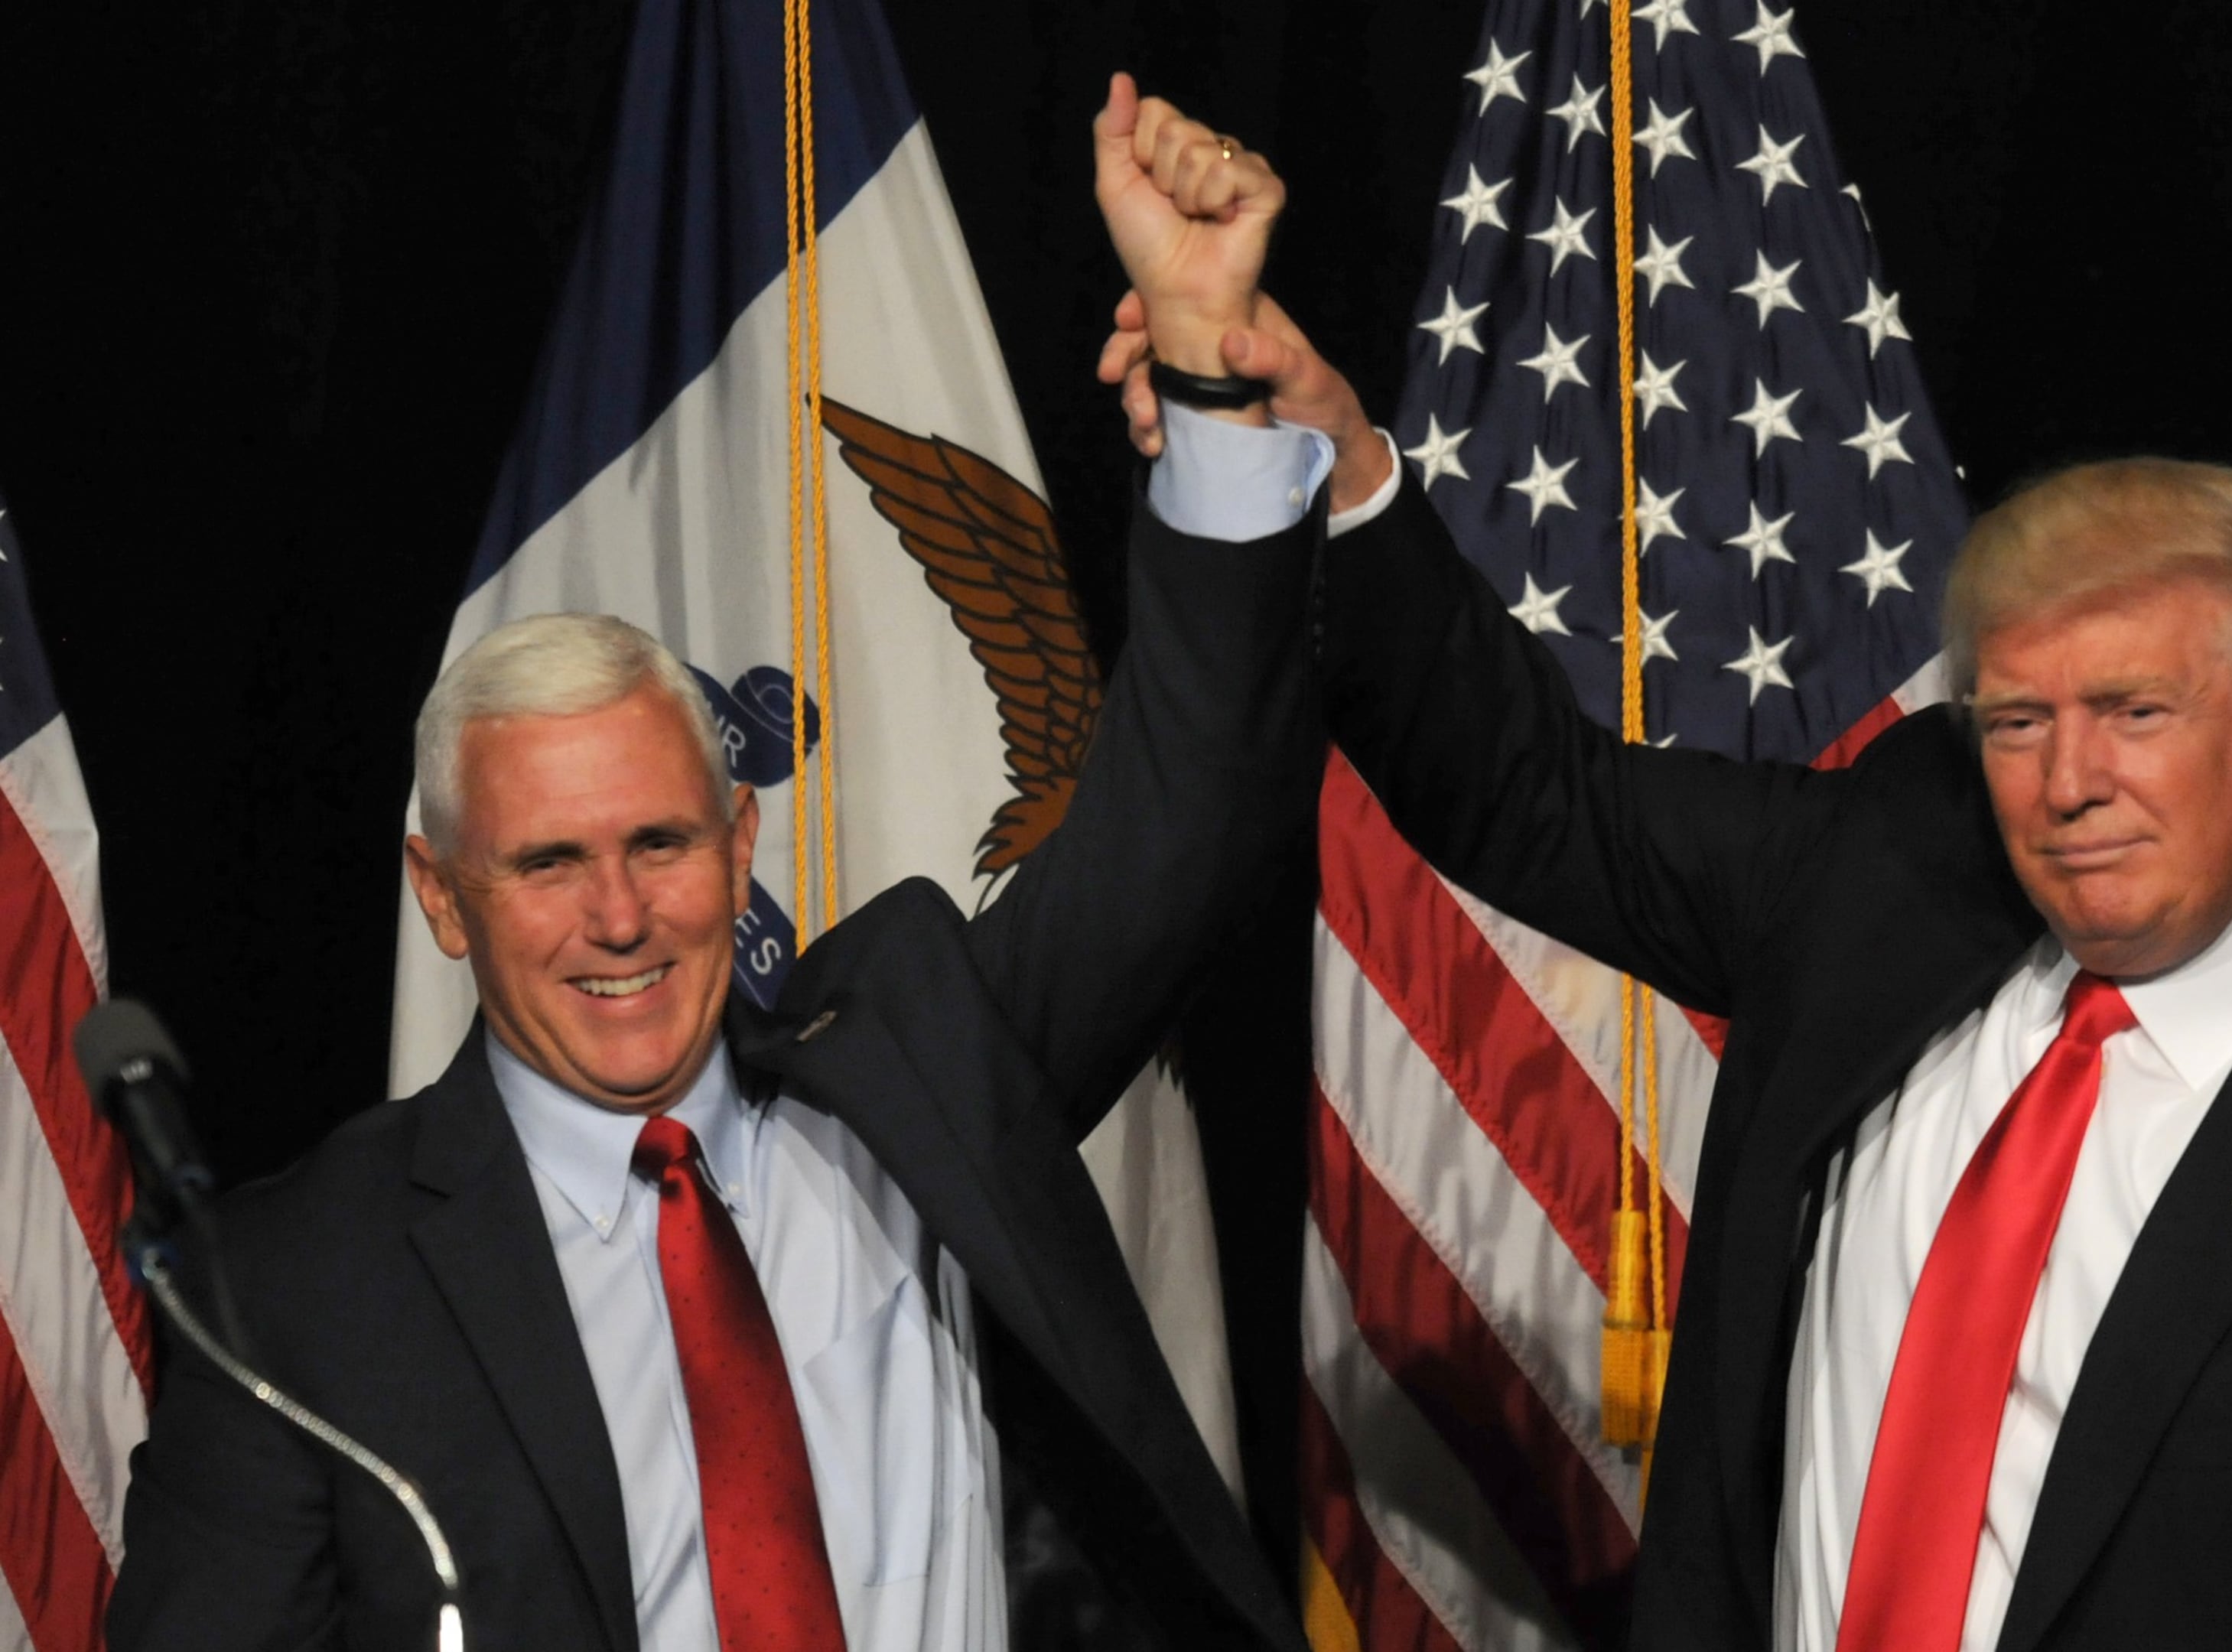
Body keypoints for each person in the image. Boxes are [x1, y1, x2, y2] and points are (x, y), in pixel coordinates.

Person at [1102, 284, 2232, 1646]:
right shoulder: (1905, 853)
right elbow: (1534, 797)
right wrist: (1333, 458)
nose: (2068, 783)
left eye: (2136, 712)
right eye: (2020, 721)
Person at [109, 76, 1326, 1652]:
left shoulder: (922, 1073)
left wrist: (1207, 368)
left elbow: (1186, 812)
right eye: (548, 862)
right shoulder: (292, 1293)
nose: (619, 916)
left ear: (739, 839)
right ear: (442, 896)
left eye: (662, 842)